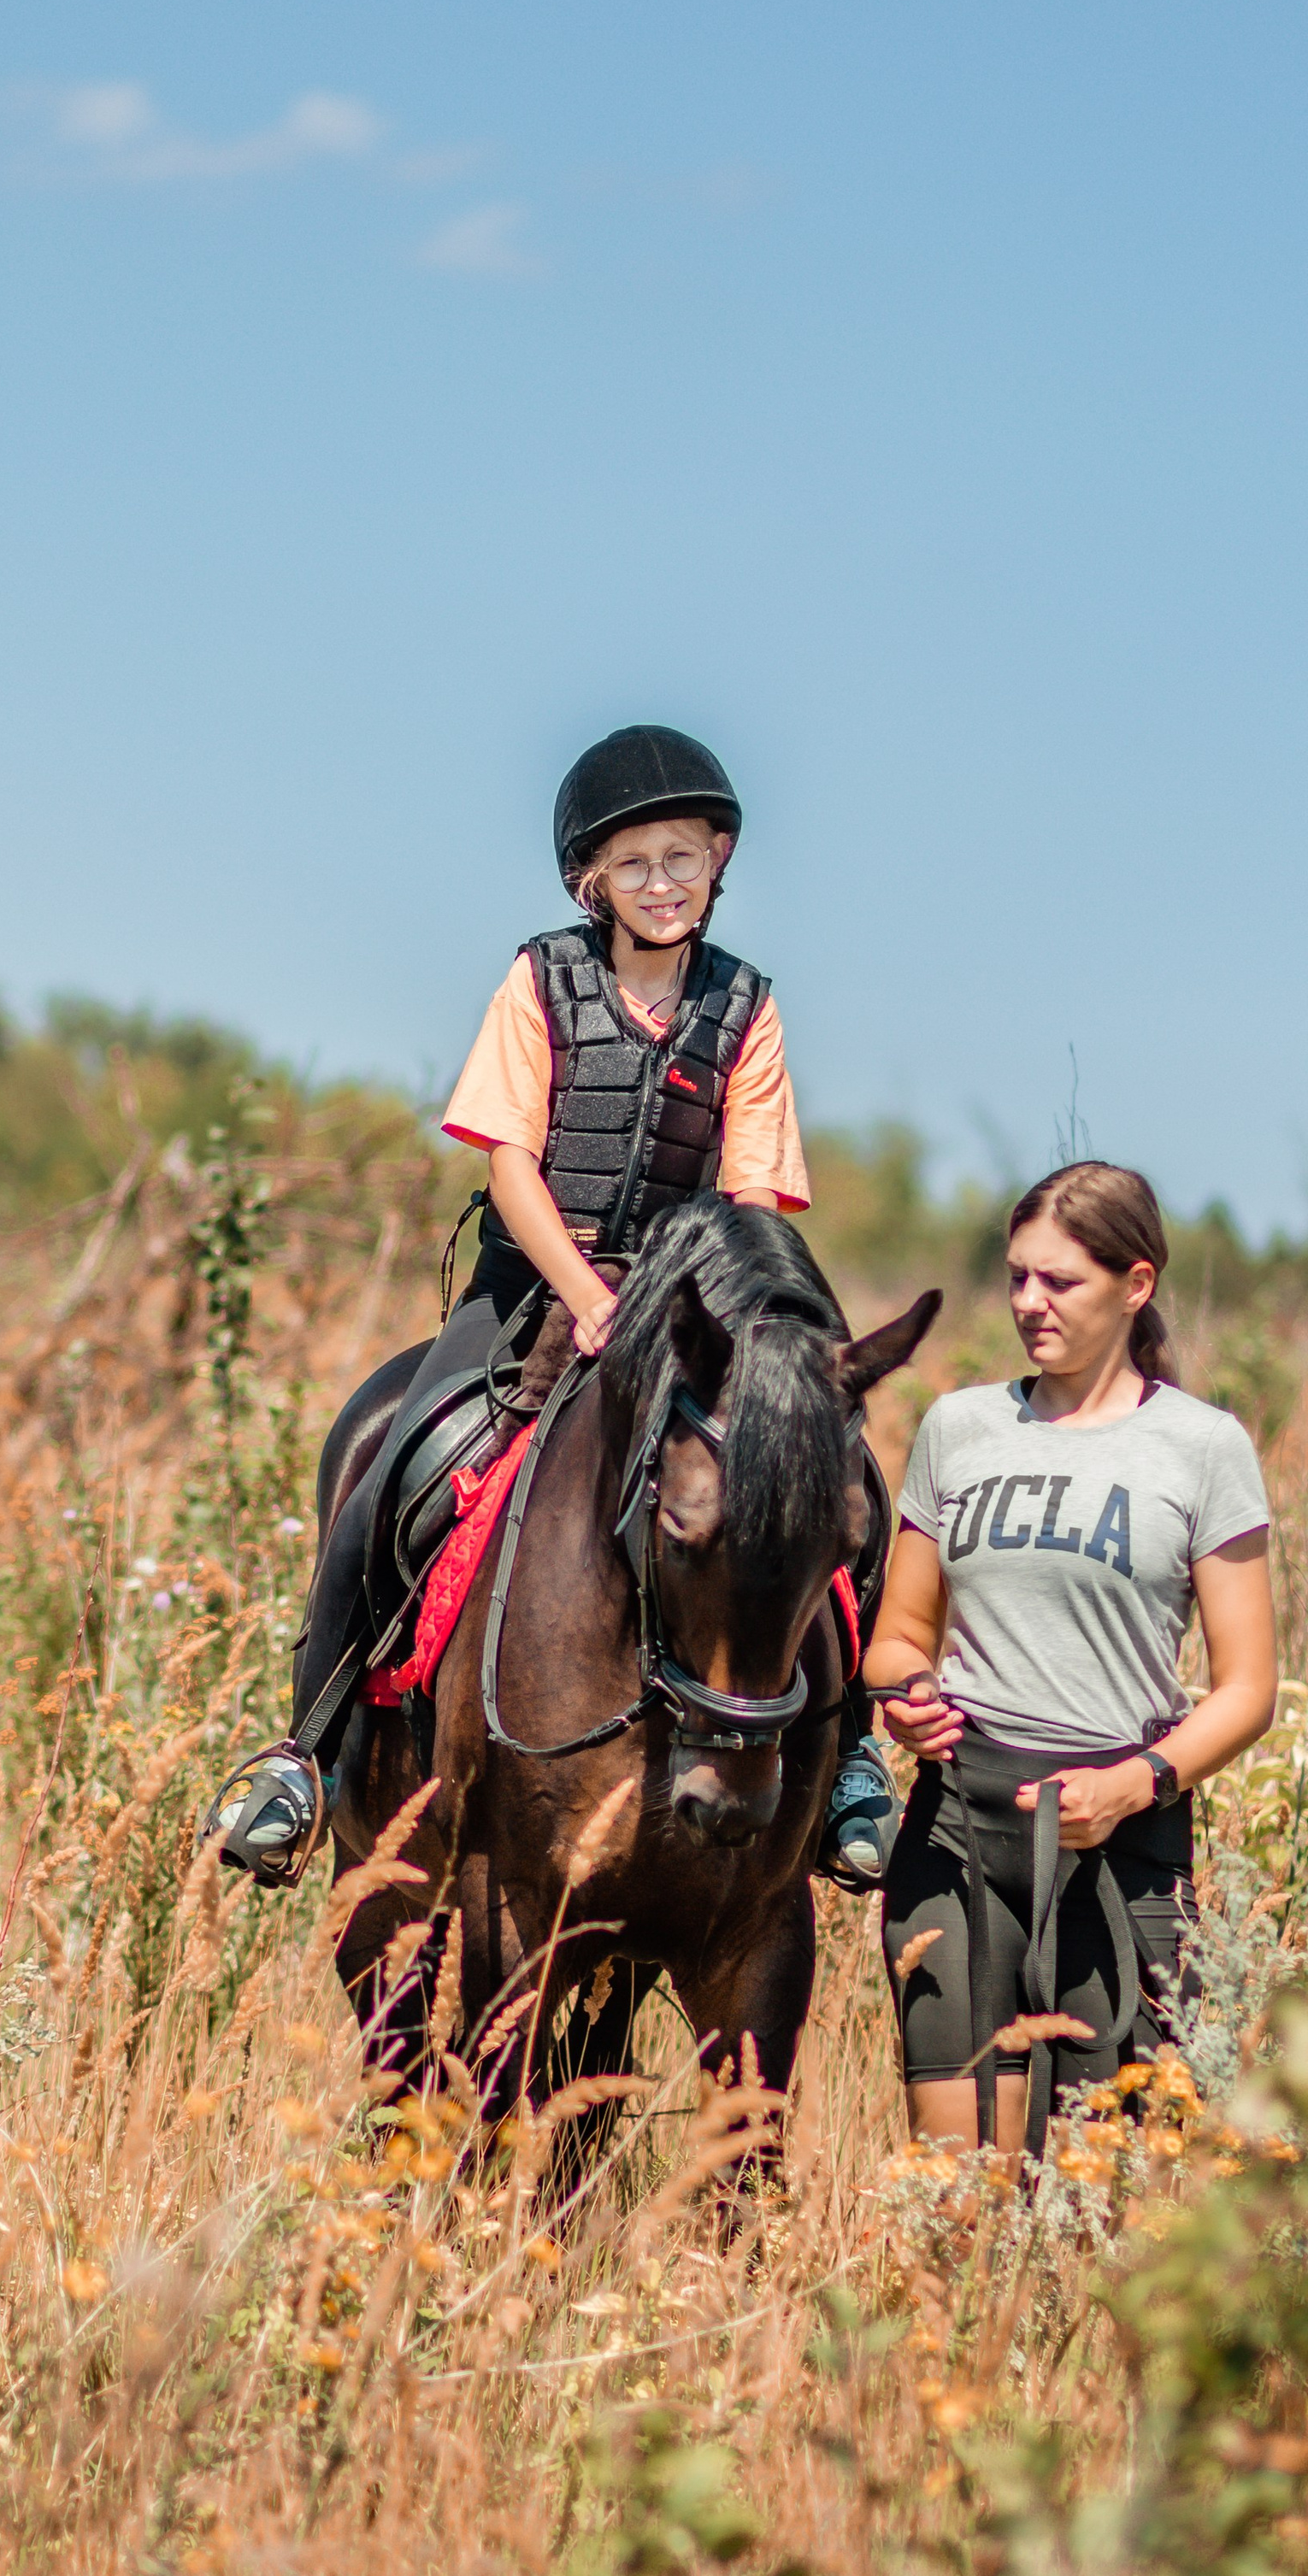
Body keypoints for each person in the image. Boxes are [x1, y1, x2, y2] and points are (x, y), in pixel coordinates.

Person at [218, 724, 903, 1890]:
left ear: (719, 859)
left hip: (692, 1304)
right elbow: (510, 1167)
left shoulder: (749, 1009)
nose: (662, 884)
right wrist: (589, 1300)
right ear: (594, 881)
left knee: (840, 1482)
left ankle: (851, 1755)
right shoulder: (541, 979)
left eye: (682, 858)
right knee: (397, 1456)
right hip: (539, 1281)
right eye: (635, 864)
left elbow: (750, 1193)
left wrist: (725, 1325)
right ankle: (310, 1750)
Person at [862, 1160, 1278, 2171]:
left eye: (1061, 1281)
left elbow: (1249, 1691)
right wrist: (907, 1701)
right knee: (958, 2203)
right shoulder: (959, 1428)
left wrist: (1133, 1786)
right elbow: (894, 1638)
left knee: (1098, 2210)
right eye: (1016, 1278)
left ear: (1136, 1285)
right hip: (958, 1836)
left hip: (1118, 1848)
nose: (1028, 1303)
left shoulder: (1202, 1448)